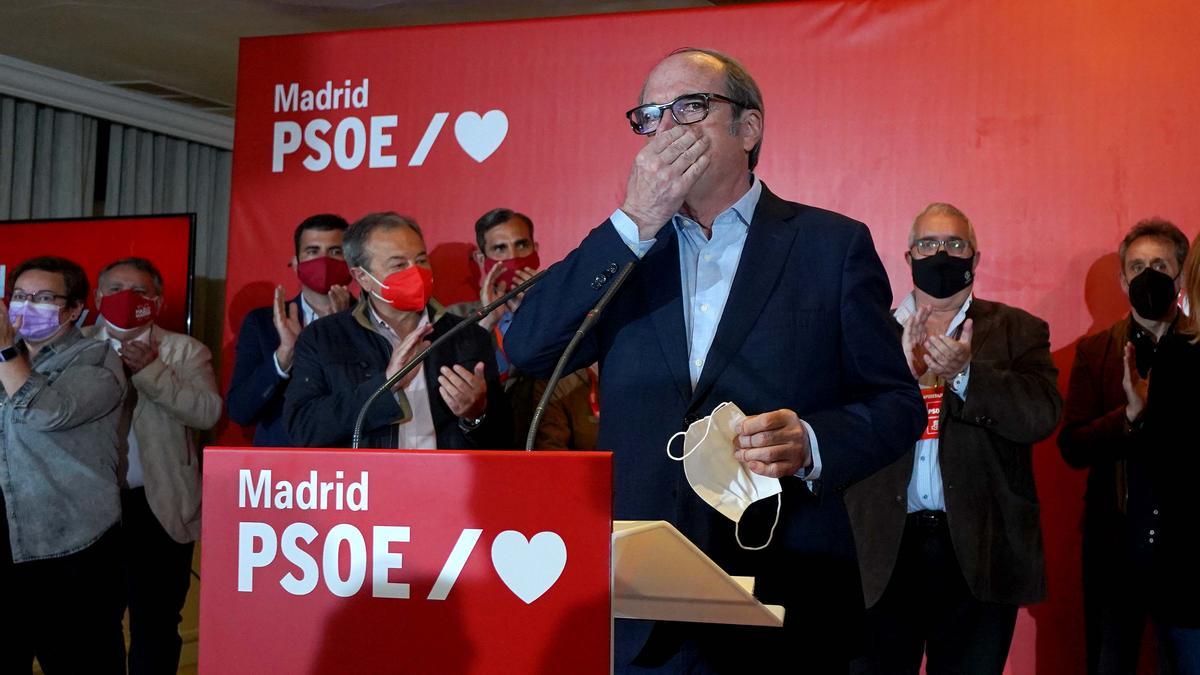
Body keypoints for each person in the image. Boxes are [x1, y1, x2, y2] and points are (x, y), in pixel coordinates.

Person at [504, 48, 925, 672]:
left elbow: (896, 406)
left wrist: (811, 441)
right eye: (651, 116)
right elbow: (529, 345)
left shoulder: (831, 247)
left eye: (691, 107)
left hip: (782, 586)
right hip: (645, 600)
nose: (668, 127)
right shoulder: (625, 253)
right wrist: (634, 222)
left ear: (748, 129)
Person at [844, 203, 1062, 674]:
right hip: (881, 555)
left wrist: (965, 376)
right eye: (928, 244)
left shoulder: (1018, 330)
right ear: (907, 258)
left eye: (955, 244)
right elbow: (836, 425)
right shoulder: (869, 330)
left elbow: (1041, 415)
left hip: (979, 556)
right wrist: (895, 377)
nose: (941, 253)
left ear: (975, 259)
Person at [1059, 218, 1190, 674]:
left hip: (1187, 551)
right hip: (1116, 547)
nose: (1147, 275)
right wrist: (1130, 416)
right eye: (1136, 267)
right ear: (1121, 279)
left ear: (1181, 273)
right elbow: (1072, 446)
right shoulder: (1096, 352)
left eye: (1159, 265)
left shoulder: (1196, 348)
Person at [84, 257, 222, 674]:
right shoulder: (76, 346)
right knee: (92, 622)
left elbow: (207, 414)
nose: (127, 298)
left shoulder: (184, 350)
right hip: (89, 508)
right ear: (97, 297)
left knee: (157, 622)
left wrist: (152, 371)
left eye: (140, 290)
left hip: (158, 507)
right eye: (115, 288)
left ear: (157, 302)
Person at [284, 212, 512, 449]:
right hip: (367, 483)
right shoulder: (323, 337)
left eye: (421, 260)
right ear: (362, 277)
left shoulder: (467, 335)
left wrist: (475, 415)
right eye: (399, 265)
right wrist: (386, 384)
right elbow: (304, 428)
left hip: (447, 482)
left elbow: (503, 438)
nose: (416, 272)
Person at [0, 256, 126, 674]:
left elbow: (48, 412)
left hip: (73, 547)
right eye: (19, 296)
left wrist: (5, 351)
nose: (25, 306)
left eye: (42, 298)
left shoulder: (96, 359)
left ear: (73, 310)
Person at [447, 207, 600, 448]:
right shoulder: (456, 319)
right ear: (481, 259)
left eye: (521, 245)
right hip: (480, 448)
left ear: (536, 250)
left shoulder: (563, 310)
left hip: (548, 444)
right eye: (500, 249)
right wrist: (485, 324)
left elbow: (572, 375)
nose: (514, 258)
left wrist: (537, 312)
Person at [1125, 229, 1200, 674]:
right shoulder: (1180, 354)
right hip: (1186, 580)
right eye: (1137, 268)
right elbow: (1168, 471)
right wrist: (1138, 416)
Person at [226, 213, 353, 446]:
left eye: (335, 252)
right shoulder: (263, 323)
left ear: (352, 263)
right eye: (312, 252)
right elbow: (240, 411)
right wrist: (284, 355)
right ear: (296, 263)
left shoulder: (371, 320)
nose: (323, 261)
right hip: (281, 470)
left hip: (348, 469)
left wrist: (341, 330)